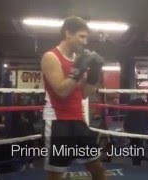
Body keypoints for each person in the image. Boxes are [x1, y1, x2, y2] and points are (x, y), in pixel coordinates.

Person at [41, 16, 106, 180]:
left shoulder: (78, 60)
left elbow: (84, 93)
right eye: (81, 36)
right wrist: (78, 71)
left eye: (86, 37)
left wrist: (94, 74)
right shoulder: (51, 57)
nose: (85, 42)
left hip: (78, 121)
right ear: (68, 33)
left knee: (98, 168)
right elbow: (61, 92)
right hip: (58, 122)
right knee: (56, 174)